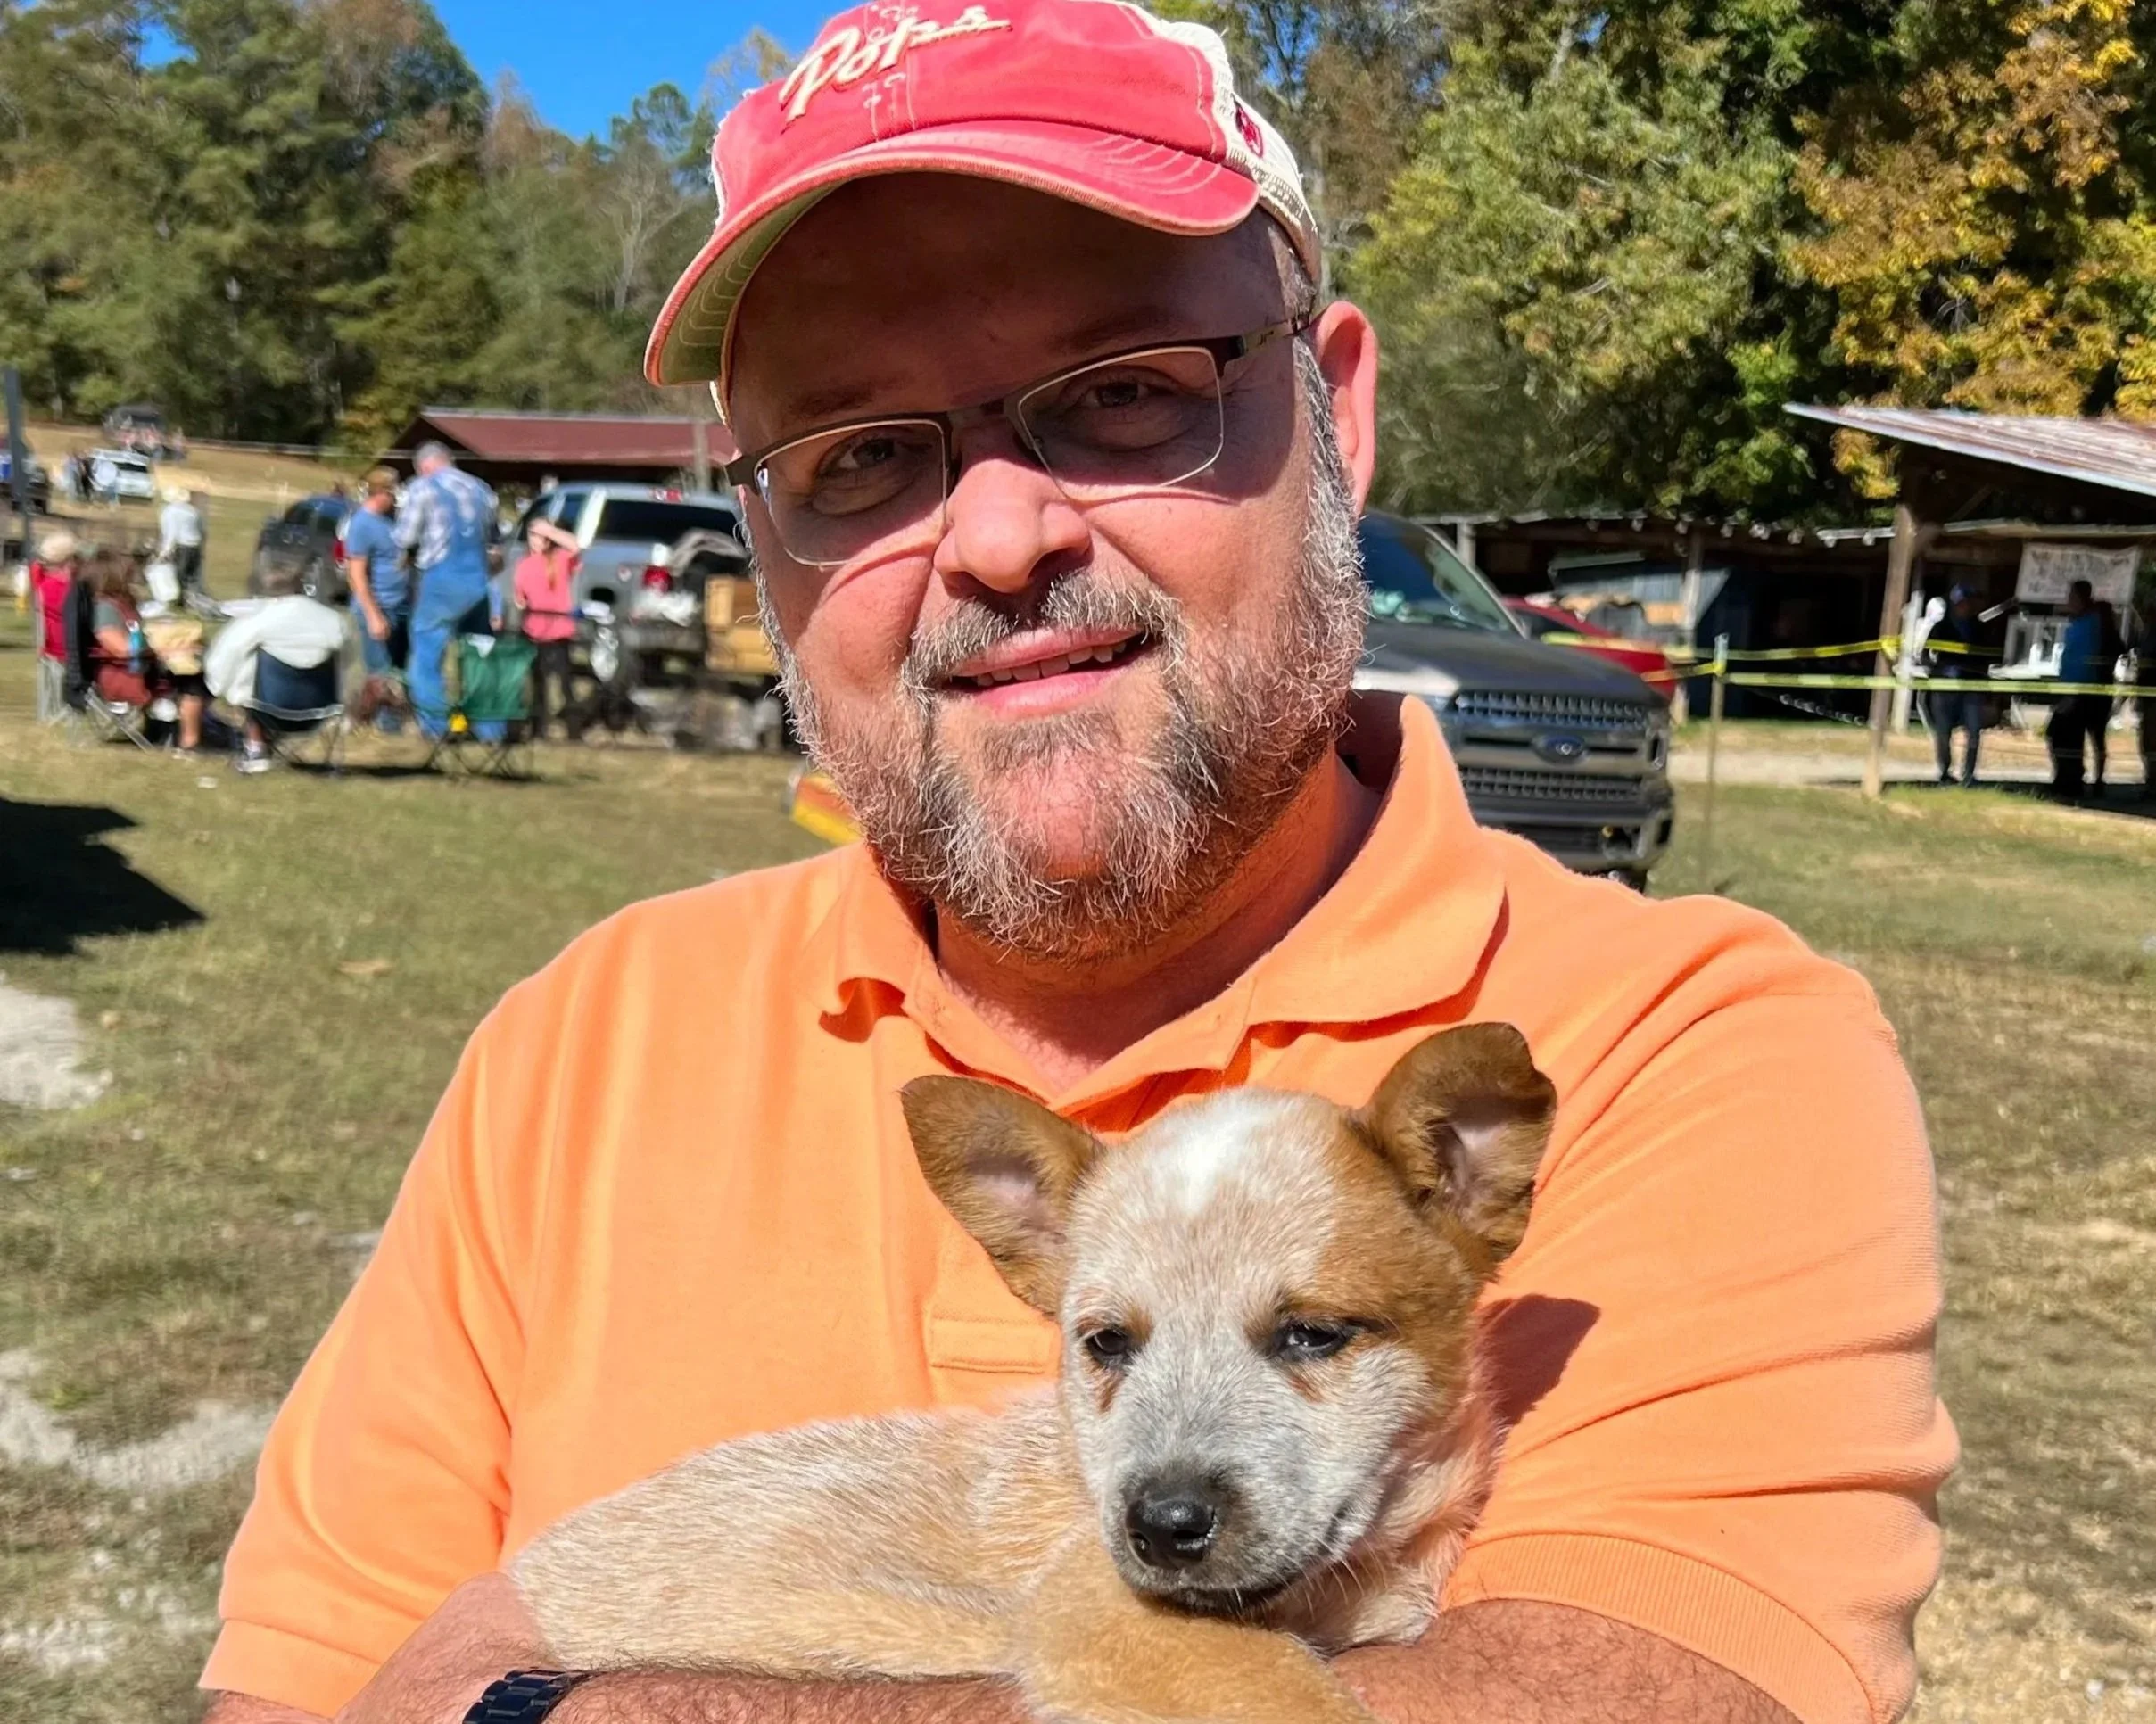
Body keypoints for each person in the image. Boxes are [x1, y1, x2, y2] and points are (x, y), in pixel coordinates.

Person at [202, 6, 1953, 1722]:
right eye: (858, 452)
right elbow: (308, 1685)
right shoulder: (573, 1051)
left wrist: (573, 1709)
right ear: (761, 527)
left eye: (1121, 394)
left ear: (1333, 415)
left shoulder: (1692, 1055)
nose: (994, 535)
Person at [395, 441, 500, 738]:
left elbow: (404, 538)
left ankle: (437, 726)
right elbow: (494, 540)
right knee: (479, 657)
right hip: (479, 584)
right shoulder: (481, 489)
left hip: (441, 582)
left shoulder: (422, 488)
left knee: (426, 657)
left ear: (423, 466)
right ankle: (491, 730)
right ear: (449, 460)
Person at [203, 564, 349, 772]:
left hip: (269, 708)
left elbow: (227, 651)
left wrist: (218, 686)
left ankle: (256, 746)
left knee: (246, 669)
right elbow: (349, 658)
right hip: (322, 709)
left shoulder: (260, 619)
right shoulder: (333, 621)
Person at [84, 549, 203, 750]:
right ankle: (188, 743)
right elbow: (122, 649)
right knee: (194, 682)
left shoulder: (122, 603)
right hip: (121, 674)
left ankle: (166, 729)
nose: (133, 575)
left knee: (195, 667)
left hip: (137, 668)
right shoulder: (104, 608)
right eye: (127, 572)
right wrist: (164, 652)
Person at [343, 466, 411, 730]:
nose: (396, 499)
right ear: (380, 492)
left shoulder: (394, 520)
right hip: (376, 607)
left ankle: (390, 716)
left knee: (399, 667)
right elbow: (357, 575)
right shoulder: (362, 523)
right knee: (380, 671)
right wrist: (373, 615)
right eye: (392, 493)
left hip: (401, 605)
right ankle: (382, 723)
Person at [512, 516, 582, 740]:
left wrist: (549, 530)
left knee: (564, 683)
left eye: (541, 536)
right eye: (533, 534)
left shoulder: (560, 559)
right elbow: (520, 599)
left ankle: (574, 730)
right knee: (537, 683)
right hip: (534, 632)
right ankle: (537, 729)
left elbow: (576, 546)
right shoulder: (523, 565)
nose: (536, 540)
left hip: (559, 631)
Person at [1921, 583, 1991, 786]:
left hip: (1972, 686)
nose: (1966, 606)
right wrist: (1937, 671)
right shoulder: (1941, 627)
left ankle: (1969, 773)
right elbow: (1925, 654)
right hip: (1945, 687)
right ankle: (1945, 771)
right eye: (1961, 602)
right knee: (1943, 731)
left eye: (1969, 602)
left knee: (1974, 730)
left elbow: (1988, 655)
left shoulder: (1980, 628)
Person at [2048, 578, 2108, 800]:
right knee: (2060, 735)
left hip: (2081, 690)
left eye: (2072, 597)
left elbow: (2085, 660)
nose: (2068, 601)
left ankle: (2071, 782)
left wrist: (2074, 693)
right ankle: (2065, 779)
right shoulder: (2077, 622)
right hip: (2070, 687)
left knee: (2065, 735)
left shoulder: (2091, 624)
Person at [158, 483, 207, 597]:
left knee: (180, 576)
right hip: (195, 546)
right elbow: (202, 530)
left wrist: (164, 552)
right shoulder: (193, 510)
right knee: (193, 576)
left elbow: (171, 533)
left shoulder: (169, 511)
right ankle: (194, 598)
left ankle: (179, 601)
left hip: (182, 546)